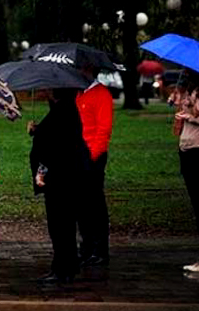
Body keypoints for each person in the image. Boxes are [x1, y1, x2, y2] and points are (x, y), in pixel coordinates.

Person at [28, 88, 91, 283]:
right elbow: (54, 136)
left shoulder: (62, 111)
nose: (43, 91)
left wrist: (42, 171)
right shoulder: (64, 110)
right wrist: (38, 129)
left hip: (60, 178)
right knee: (64, 223)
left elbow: (55, 146)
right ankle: (67, 265)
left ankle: (62, 268)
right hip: (68, 175)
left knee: (60, 224)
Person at [76, 66, 113, 267]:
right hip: (78, 155)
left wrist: (92, 157)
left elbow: (103, 129)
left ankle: (100, 249)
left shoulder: (101, 94)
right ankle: (87, 246)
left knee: (95, 205)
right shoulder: (79, 94)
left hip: (93, 156)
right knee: (81, 205)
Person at [174, 72, 199, 273]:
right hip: (187, 150)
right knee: (198, 205)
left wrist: (190, 117)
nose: (184, 71)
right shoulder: (191, 90)